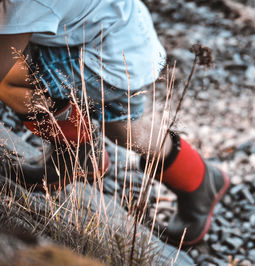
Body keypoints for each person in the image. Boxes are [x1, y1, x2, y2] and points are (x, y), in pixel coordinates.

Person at [0, 0, 229, 245]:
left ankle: (77, 152)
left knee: (10, 81)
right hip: (125, 39)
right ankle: (201, 180)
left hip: (106, 57)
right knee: (124, 130)